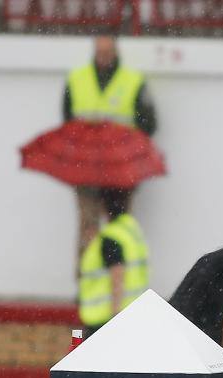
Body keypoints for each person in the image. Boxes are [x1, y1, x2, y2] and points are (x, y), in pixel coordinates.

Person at [64, 35, 157, 263]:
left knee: (120, 227)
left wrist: (117, 136)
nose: (103, 57)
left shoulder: (132, 81)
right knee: (88, 226)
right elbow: (67, 122)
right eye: (100, 52)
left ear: (116, 52)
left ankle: (119, 278)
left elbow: (148, 124)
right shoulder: (78, 79)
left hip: (120, 169)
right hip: (86, 167)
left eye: (107, 52)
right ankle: (88, 283)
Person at [78, 187, 149, 338]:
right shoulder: (131, 230)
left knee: (85, 358)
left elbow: (117, 273)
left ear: (103, 206)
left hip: (105, 320)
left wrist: (115, 315)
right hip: (133, 314)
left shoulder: (111, 237)